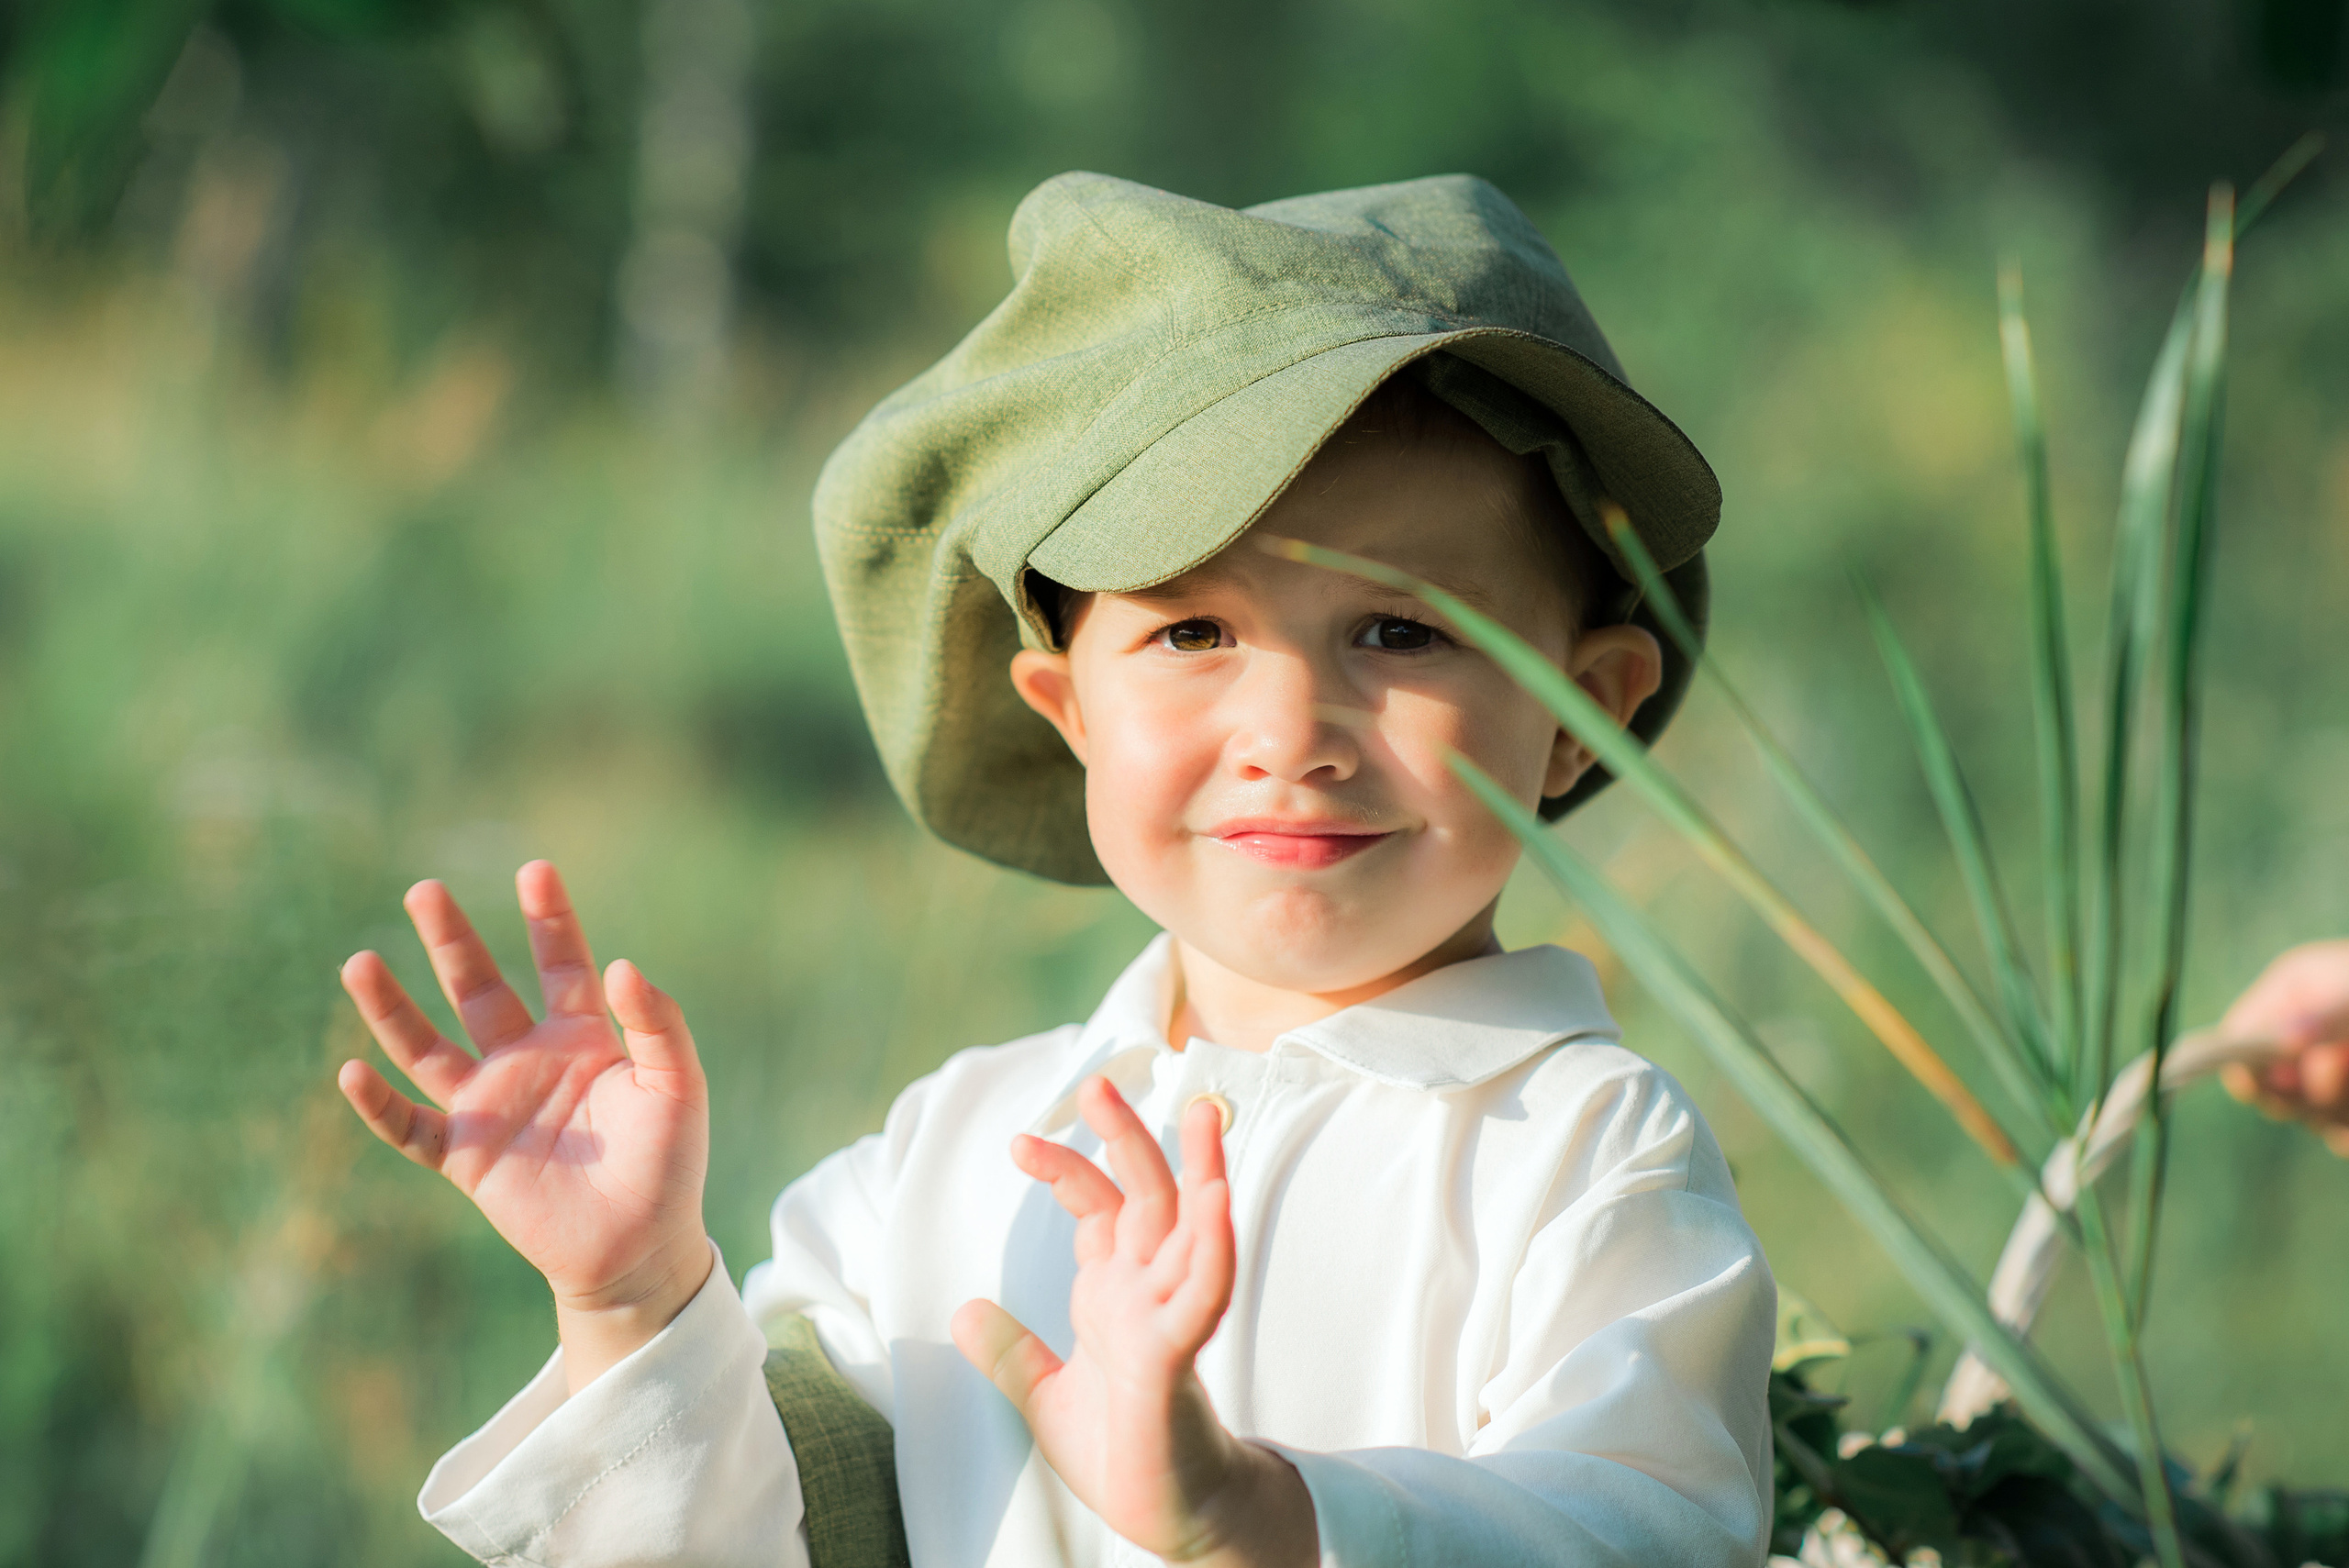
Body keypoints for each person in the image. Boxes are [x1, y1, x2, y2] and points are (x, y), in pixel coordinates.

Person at [329, 172, 2343, 1568]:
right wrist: (627, 1302)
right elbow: (758, 1536)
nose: (1287, 725)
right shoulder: (955, 1159)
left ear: (1587, 705)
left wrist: (1254, 1521)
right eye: (1189, 636)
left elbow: (1637, 1525)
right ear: (1062, 708)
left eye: (1399, 629)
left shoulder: (1577, 1150)